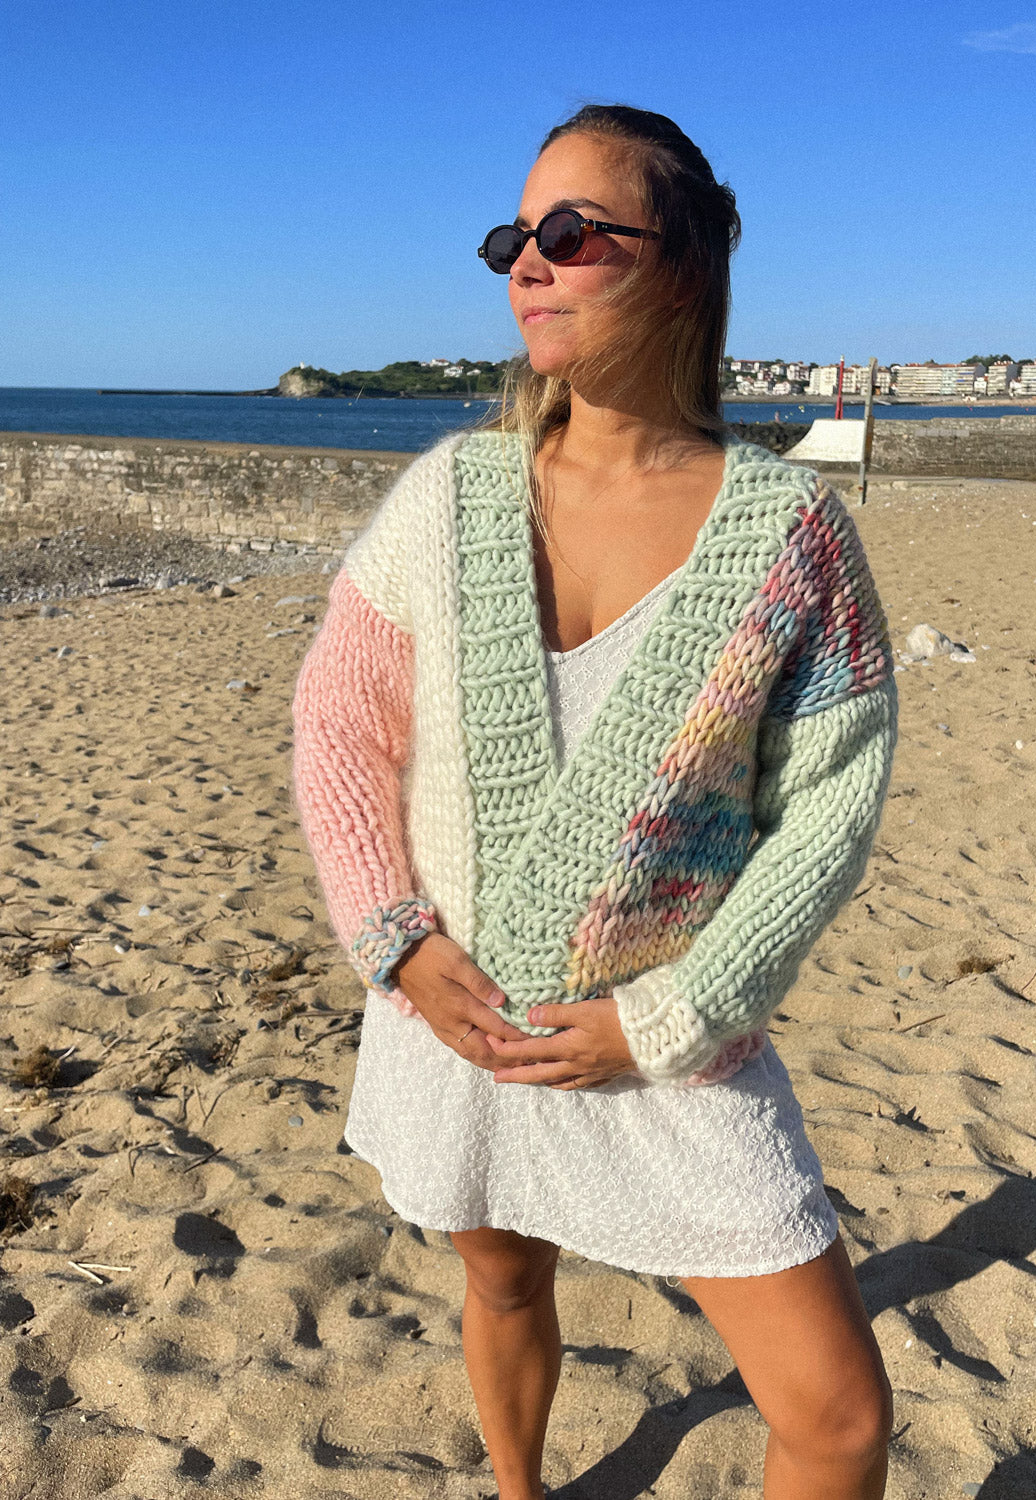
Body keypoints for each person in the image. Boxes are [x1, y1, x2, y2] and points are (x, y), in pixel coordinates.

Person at [292, 103, 899, 1500]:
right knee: (504, 1282)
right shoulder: (452, 496)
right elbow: (339, 722)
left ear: (682, 262)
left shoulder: (791, 535)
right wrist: (396, 939)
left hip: (668, 1043)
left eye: (571, 233)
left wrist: (676, 1015)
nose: (528, 263)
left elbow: (829, 805)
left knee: (836, 1417)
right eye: (513, 238)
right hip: (461, 1021)